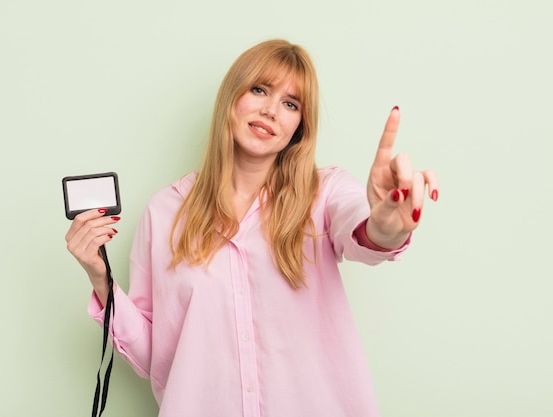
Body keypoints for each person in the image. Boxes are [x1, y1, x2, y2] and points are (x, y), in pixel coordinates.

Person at [65, 39, 438, 417]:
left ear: (298, 128)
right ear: (232, 96)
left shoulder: (326, 193)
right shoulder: (164, 211)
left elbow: (365, 231)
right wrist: (101, 278)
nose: (271, 110)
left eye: (291, 104)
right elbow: (157, 358)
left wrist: (386, 227)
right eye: (259, 89)